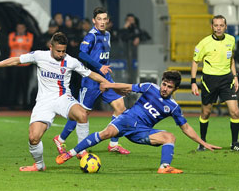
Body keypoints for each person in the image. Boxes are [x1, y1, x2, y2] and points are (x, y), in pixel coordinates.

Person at [0, 32, 110, 172]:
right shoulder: (39, 56)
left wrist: (109, 84)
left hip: (63, 98)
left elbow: (91, 74)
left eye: (63, 51)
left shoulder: (71, 61)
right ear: (50, 47)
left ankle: (81, 151)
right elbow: (16, 60)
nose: (61, 54)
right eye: (58, 51)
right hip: (44, 102)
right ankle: (39, 165)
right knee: (33, 138)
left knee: (82, 114)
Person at [56, 70, 221, 174]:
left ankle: (164, 167)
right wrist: (109, 85)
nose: (164, 88)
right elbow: (129, 86)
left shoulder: (173, 107)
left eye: (169, 87)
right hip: (126, 120)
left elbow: (185, 128)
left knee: (170, 137)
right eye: (164, 84)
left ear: (174, 89)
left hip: (141, 132)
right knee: (105, 133)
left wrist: (202, 142)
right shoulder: (150, 87)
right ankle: (69, 153)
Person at [53, 7, 130, 157]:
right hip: (91, 79)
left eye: (104, 19)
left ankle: (113, 144)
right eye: (99, 19)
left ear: (107, 21)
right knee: (82, 113)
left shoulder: (107, 34)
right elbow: (81, 53)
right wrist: (99, 66)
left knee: (120, 108)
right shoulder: (91, 36)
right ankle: (60, 139)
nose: (102, 22)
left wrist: (103, 68)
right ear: (94, 21)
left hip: (105, 78)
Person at [191, 15, 239, 151]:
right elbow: (195, 62)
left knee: (235, 112)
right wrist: (193, 82)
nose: (218, 28)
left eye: (221, 25)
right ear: (212, 27)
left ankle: (235, 143)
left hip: (226, 80)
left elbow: (231, 60)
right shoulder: (203, 43)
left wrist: (235, 77)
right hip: (209, 81)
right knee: (206, 113)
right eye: (216, 25)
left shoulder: (231, 40)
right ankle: (202, 142)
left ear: (225, 27)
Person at [8, 22, 34, 109]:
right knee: (13, 85)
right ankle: (11, 104)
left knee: (25, 85)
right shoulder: (11, 35)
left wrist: (18, 43)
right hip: (14, 63)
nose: (20, 29)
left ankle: (25, 104)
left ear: (25, 28)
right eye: (18, 28)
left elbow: (29, 45)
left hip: (25, 64)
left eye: (22, 28)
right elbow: (11, 45)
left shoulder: (30, 35)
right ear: (16, 28)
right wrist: (22, 44)